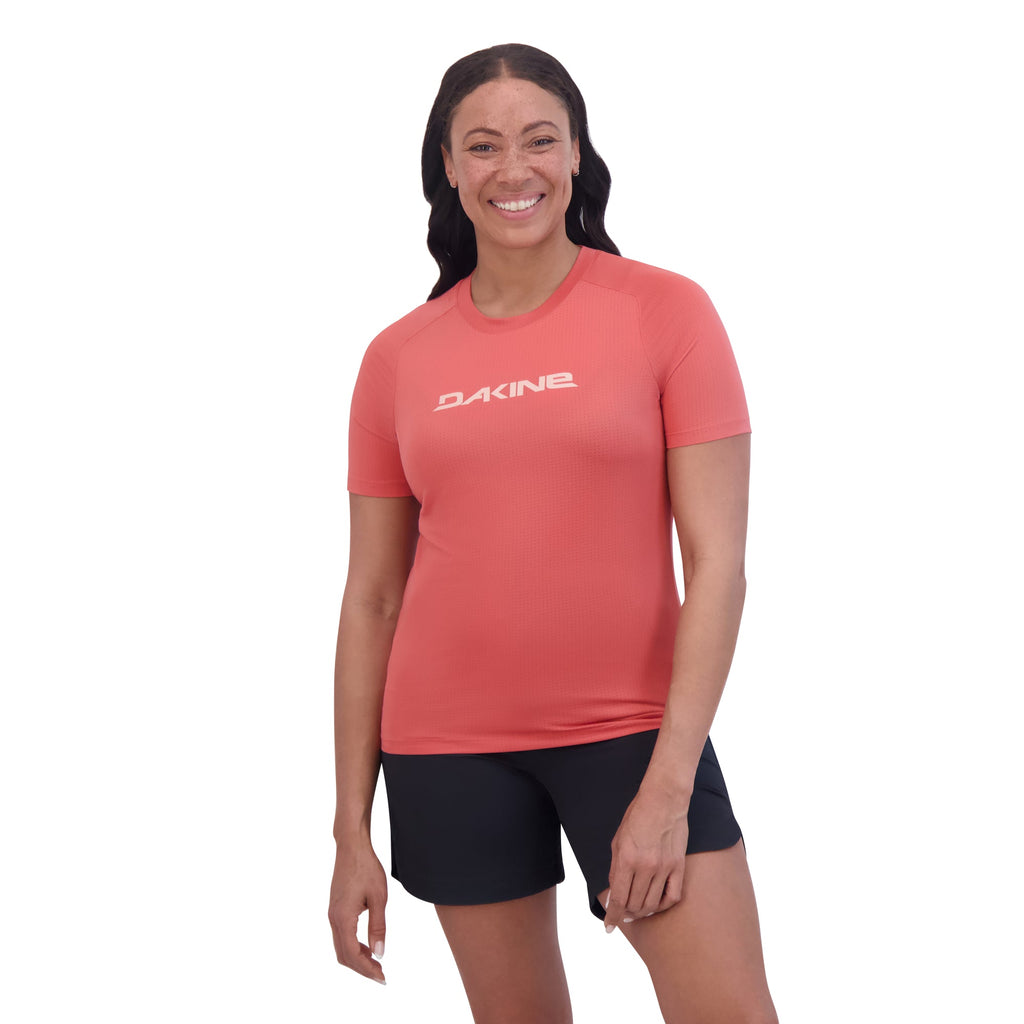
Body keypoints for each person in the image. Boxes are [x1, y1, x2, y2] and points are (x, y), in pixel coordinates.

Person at [329, 42, 778, 1024]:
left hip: (633, 734)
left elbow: (718, 566)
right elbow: (373, 596)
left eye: (539, 140)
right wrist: (350, 830)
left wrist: (668, 788)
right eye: (482, 146)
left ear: (576, 153)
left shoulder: (666, 312)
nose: (513, 169)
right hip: (444, 747)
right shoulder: (396, 358)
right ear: (448, 167)